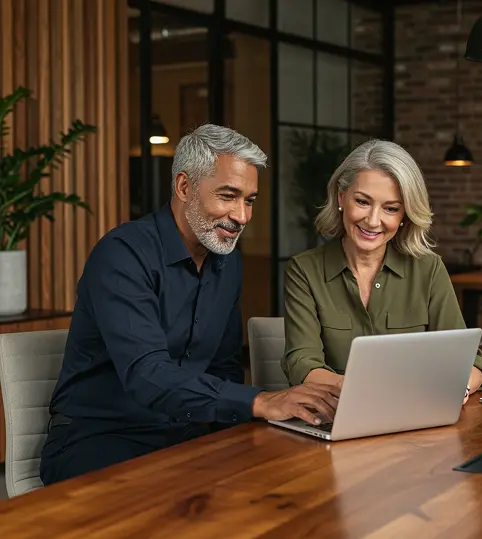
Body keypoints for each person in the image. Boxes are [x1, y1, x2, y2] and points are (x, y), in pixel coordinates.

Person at [40, 124, 339, 485]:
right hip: (102, 437)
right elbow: (147, 374)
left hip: (183, 434)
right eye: (228, 196)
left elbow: (224, 367)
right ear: (184, 187)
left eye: (249, 200)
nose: (242, 216)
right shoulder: (122, 255)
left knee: (284, 480)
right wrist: (260, 402)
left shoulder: (227, 262)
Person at [281, 138, 482, 403]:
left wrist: (456, 388)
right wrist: (357, 390)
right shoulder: (304, 270)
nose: (372, 221)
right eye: (362, 202)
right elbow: (302, 363)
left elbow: (470, 362)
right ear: (341, 197)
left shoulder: (428, 269)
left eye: (390, 208)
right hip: (338, 411)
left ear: (404, 214)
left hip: (419, 414)